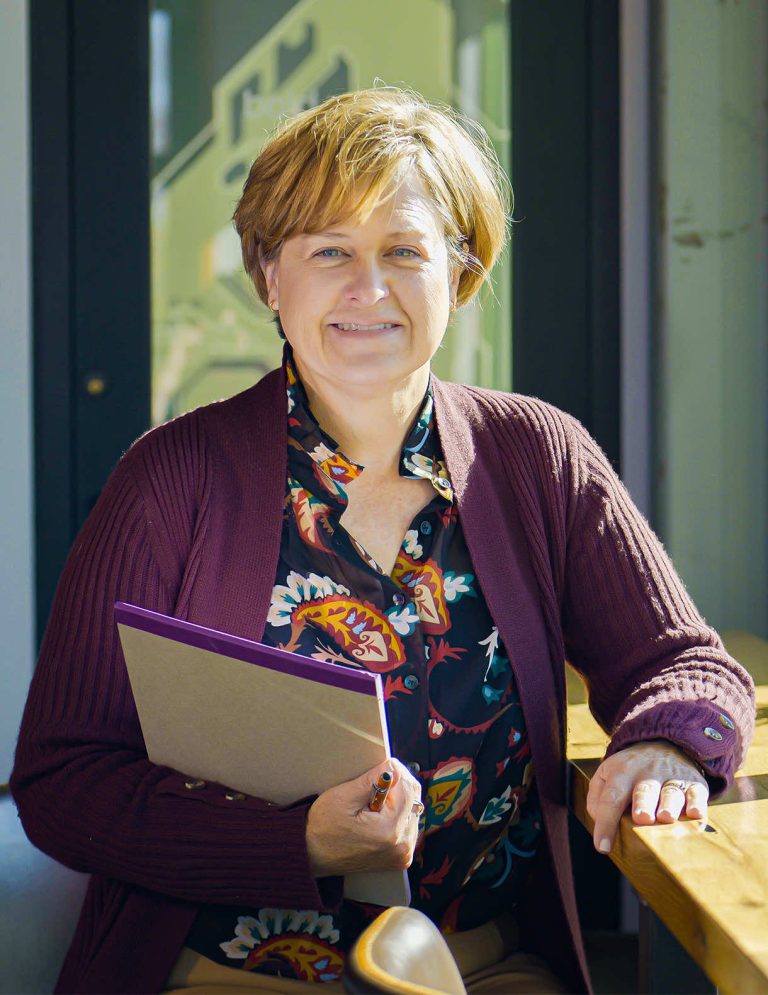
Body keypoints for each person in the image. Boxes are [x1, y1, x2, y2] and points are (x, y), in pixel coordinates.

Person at [11, 87, 755, 995]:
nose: (369, 289)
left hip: (480, 969)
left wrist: (669, 743)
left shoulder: (540, 456)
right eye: (329, 250)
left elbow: (687, 664)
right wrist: (297, 844)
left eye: (405, 250)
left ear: (462, 274)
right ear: (269, 275)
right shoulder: (170, 479)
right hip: (232, 972)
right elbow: (61, 781)